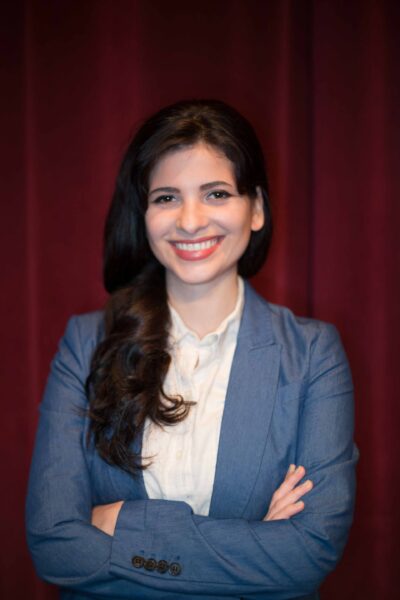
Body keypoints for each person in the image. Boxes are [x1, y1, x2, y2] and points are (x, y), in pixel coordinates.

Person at [26, 99, 357, 600]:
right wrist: (256, 544)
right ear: (144, 214)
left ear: (257, 208)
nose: (190, 220)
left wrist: (119, 525)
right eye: (166, 198)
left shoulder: (313, 354)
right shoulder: (86, 343)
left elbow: (310, 551)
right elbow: (54, 545)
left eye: (216, 193)